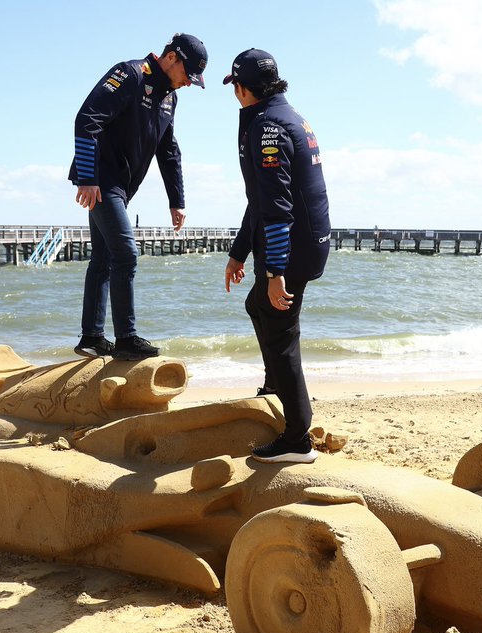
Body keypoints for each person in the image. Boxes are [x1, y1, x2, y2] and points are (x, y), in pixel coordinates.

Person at [69, 33, 208, 361]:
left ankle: (91, 337)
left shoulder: (170, 98)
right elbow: (86, 119)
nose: (189, 83)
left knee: (103, 259)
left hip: (122, 187)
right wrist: (88, 178)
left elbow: (168, 150)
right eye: (188, 75)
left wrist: (177, 200)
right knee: (126, 255)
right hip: (102, 180)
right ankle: (126, 338)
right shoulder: (130, 74)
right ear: (171, 57)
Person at [222, 49, 331, 464]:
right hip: (301, 237)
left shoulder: (268, 127)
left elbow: (278, 205)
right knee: (258, 306)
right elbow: (261, 198)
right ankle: (275, 388)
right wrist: (238, 252)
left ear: (242, 87)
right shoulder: (285, 116)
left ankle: (297, 440)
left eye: (233, 85)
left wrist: (275, 271)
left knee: (280, 329)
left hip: (292, 243)